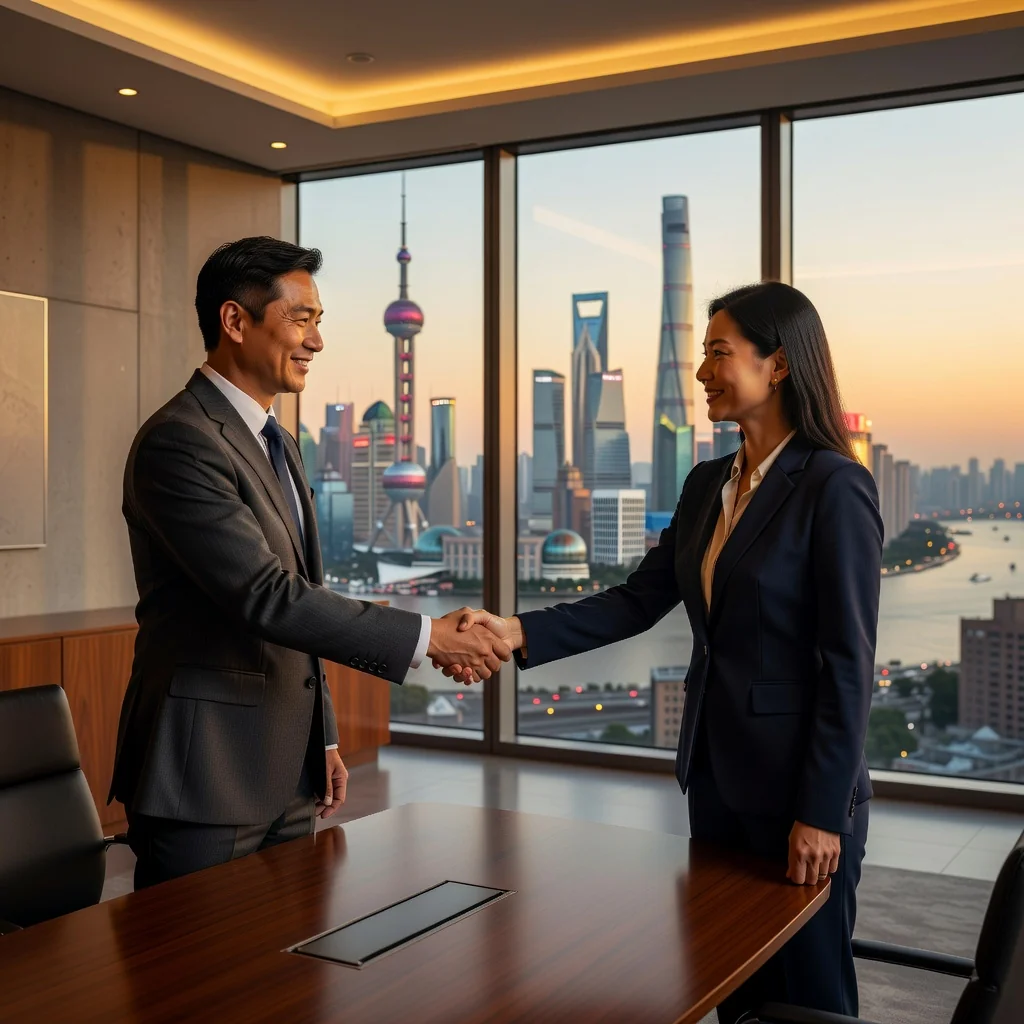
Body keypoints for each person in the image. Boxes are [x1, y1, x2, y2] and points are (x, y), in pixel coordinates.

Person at [445, 282, 882, 1022]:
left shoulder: (835, 486)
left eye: (718, 353)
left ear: (777, 366)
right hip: (715, 784)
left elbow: (849, 666)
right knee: (731, 987)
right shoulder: (708, 482)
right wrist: (514, 633)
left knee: (810, 999)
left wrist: (820, 812)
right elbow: (638, 599)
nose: (702, 372)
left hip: (795, 797)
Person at [111, 236, 508, 889]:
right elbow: (265, 596)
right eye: (301, 319)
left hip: (288, 769)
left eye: (318, 321)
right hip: (205, 771)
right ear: (235, 321)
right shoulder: (179, 442)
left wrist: (321, 736)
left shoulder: (278, 442)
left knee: (285, 975)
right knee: (196, 984)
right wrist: (427, 635)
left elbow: (302, 591)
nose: (317, 342)